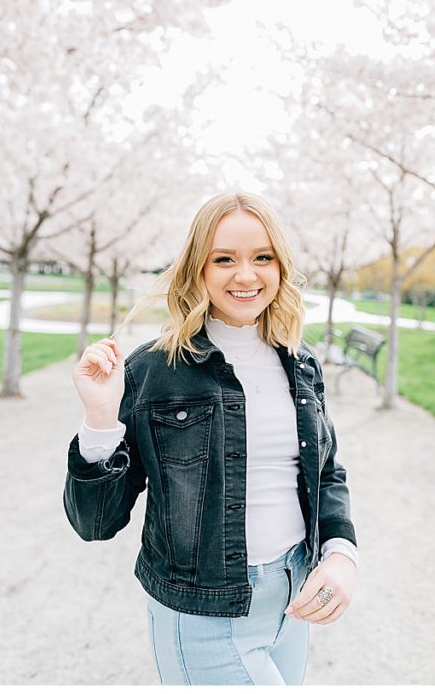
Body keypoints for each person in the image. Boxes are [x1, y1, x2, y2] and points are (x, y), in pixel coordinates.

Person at [64, 192, 357, 684]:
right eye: (225, 259)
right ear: (198, 268)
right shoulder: (153, 370)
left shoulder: (301, 362)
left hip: (293, 601)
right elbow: (95, 522)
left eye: (262, 257)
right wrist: (99, 417)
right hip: (203, 616)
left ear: (280, 266)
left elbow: (327, 472)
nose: (246, 275)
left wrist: (342, 554)